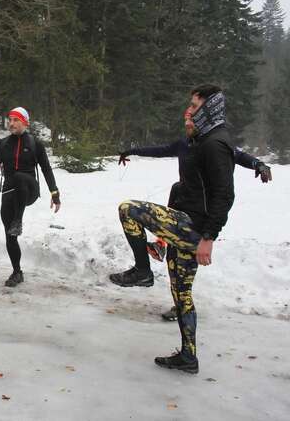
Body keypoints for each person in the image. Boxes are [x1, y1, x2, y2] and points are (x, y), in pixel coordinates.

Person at [109, 85, 235, 374]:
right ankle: (188, 357)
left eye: (195, 106)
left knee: (128, 209)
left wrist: (208, 238)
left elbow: (225, 195)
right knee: (182, 295)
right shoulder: (203, 140)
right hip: (189, 226)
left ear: (208, 108)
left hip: (191, 226)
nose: (190, 111)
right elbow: (165, 151)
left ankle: (142, 271)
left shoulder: (215, 144)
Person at [117, 112, 272, 321]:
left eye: (191, 120)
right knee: (176, 191)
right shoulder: (184, 144)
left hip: (199, 219)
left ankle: (177, 304)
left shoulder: (212, 146)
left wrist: (259, 165)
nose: (187, 124)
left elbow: (239, 155)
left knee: (182, 275)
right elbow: (159, 150)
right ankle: (162, 246)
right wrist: (131, 150)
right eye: (186, 121)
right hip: (180, 215)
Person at [0, 107, 61, 287]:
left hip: (29, 189)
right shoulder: (3, 144)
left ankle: (18, 221)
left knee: (20, 176)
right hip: (9, 192)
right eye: (10, 119)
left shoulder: (35, 144)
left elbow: (46, 169)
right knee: (10, 236)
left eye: (16, 120)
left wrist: (55, 193)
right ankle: (17, 272)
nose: (11, 123)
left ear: (25, 122)